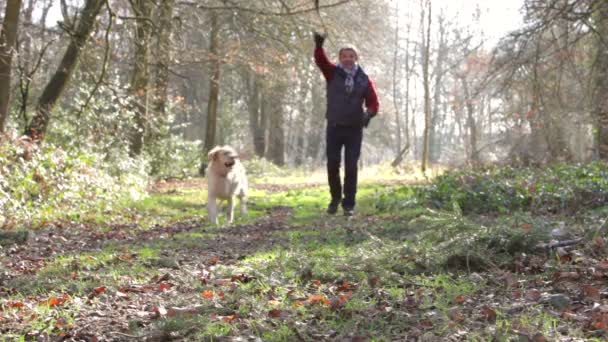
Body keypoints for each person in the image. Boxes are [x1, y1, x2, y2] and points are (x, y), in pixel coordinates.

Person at [313, 32, 379, 216]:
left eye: (351, 56)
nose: (347, 59)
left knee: (351, 166)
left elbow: (373, 102)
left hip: (354, 129)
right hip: (334, 127)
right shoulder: (332, 72)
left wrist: (369, 113)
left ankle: (349, 204)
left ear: (356, 58)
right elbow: (321, 62)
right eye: (344, 56)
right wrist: (319, 46)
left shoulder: (364, 79)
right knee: (333, 164)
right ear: (340, 58)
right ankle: (335, 199)